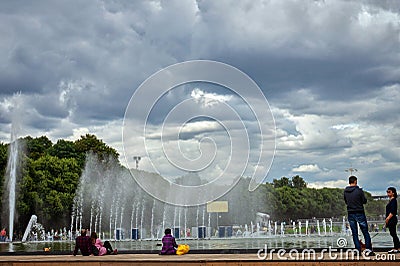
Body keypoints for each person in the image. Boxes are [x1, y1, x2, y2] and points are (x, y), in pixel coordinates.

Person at [344, 175, 375, 256]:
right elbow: (364, 201)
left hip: (350, 212)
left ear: (349, 182)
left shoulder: (345, 191)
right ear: (355, 181)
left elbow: (346, 201)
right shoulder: (359, 191)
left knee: (354, 233)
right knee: (365, 231)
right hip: (359, 212)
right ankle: (368, 249)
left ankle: (357, 250)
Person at [385, 187, 400, 253]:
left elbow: (393, 211)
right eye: (387, 192)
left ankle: (397, 247)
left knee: (393, 233)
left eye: (389, 192)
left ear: (393, 193)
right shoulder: (391, 200)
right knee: (393, 233)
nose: (388, 193)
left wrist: (388, 218)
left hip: (392, 219)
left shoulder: (394, 201)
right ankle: (397, 247)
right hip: (390, 219)